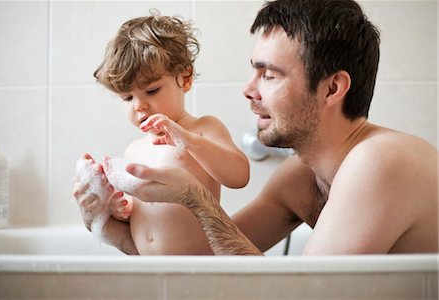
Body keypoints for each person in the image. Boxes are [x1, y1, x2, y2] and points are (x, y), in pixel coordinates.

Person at [75, 0, 438, 255]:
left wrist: (197, 199)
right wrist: (111, 230)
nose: (249, 90)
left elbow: (305, 296)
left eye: (269, 74)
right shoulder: (302, 177)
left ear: (332, 88)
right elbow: (210, 261)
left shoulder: (381, 161)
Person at [73, 11, 249, 255]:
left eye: (152, 91)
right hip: (148, 269)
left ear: (185, 78)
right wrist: (118, 208)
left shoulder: (203, 128)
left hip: (196, 268)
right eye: (127, 97)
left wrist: (186, 140)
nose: (139, 106)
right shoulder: (133, 150)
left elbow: (239, 176)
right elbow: (145, 213)